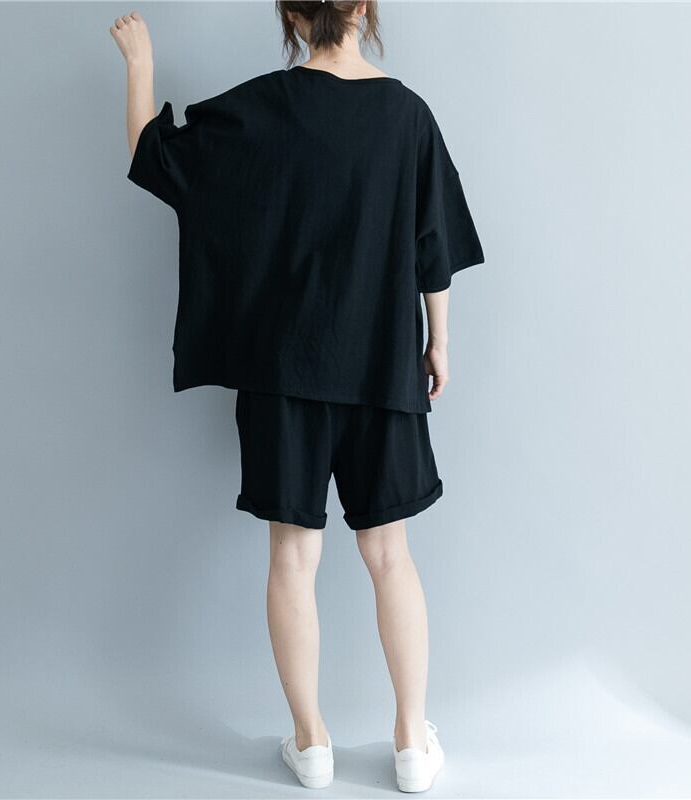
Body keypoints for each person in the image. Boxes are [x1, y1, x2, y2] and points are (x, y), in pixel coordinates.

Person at [110, 1, 484, 792]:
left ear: (291, 12)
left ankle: (311, 746)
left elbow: (155, 159)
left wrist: (140, 65)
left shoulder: (261, 109)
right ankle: (412, 745)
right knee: (390, 555)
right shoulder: (407, 116)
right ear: (363, 8)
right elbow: (434, 248)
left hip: (285, 374)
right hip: (382, 366)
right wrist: (438, 342)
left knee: (292, 555)